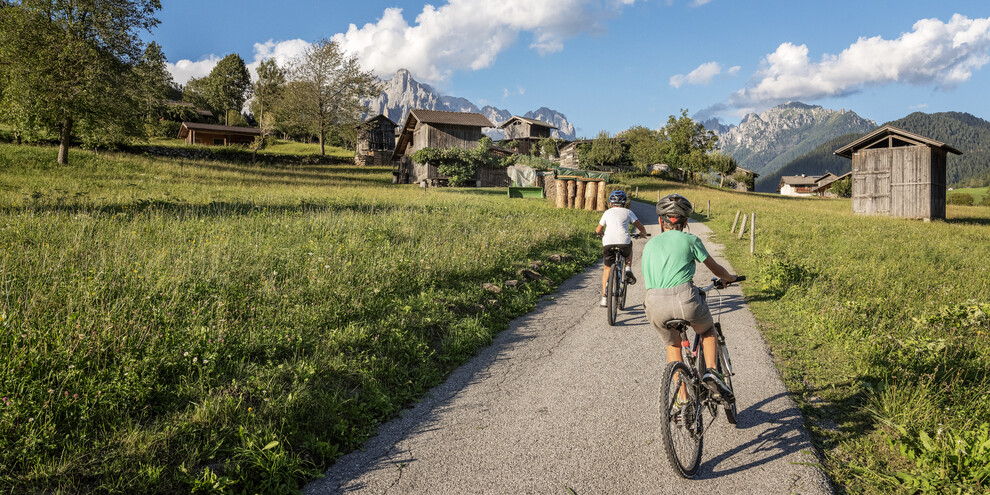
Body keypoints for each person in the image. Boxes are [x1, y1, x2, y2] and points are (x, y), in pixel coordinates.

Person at [641, 194, 737, 402]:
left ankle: (682, 399)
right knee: (708, 330)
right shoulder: (691, 240)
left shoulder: (649, 246)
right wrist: (728, 278)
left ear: (660, 221)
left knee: (673, 345)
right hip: (685, 299)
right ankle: (711, 372)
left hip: (654, 303)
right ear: (686, 222)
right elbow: (715, 268)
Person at [595, 190, 649, 307]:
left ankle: (604, 298)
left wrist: (601, 234)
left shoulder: (607, 212)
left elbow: (598, 230)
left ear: (610, 203)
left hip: (608, 242)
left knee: (607, 268)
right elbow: (639, 226)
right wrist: (643, 234)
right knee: (629, 248)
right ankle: (628, 268)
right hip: (623, 242)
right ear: (625, 203)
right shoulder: (628, 212)